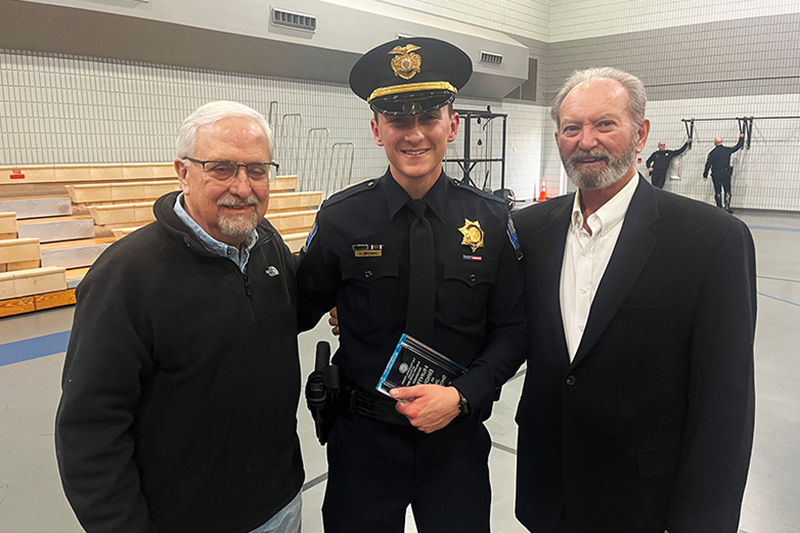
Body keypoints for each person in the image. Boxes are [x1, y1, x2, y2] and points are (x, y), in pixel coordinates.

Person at [296, 37, 526, 533]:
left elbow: (513, 329)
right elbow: (294, 306)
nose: (415, 133)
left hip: (456, 443)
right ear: (377, 129)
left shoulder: (491, 218)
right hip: (364, 441)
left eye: (428, 116)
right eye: (399, 119)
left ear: (452, 124)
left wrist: (463, 395)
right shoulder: (341, 219)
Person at [513, 68, 756, 533]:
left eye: (605, 124)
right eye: (571, 127)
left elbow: (726, 402)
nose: (586, 141)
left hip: (644, 500)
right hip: (548, 491)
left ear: (641, 133)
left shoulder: (711, 240)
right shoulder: (532, 231)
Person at [55, 101, 304, 533]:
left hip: (281, 504)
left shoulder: (268, 245)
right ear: (183, 172)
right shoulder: (127, 276)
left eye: (257, 170)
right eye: (222, 168)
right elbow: (90, 428)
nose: (243, 187)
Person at [703, 134, 745, 213]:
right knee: (727, 190)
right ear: (722, 142)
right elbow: (737, 147)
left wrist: (705, 174)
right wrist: (741, 138)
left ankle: (719, 207)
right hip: (725, 173)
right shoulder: (727, 150)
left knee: (718, 191)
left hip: (716, 174)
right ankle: (727, 207)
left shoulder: (712, 153)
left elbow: (708, 164)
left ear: (715, 143)